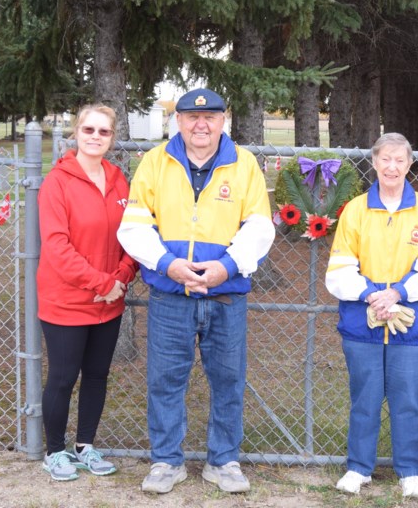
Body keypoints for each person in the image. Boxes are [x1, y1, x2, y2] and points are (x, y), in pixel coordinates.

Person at [117, 88, 275, 495]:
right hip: (171, 295)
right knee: (165, 381)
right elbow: (133, 226)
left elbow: (259, 226)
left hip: (226, 296)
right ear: (179, 121)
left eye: (210, 117)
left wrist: (226, 267)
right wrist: (168, 265)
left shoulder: (244, 165)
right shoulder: (155, 162)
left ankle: (223, 461)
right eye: (190, 117)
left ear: (225, 120)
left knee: (228, 380)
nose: (200, 124)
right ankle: (167, 461)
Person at [325, 133, 418, 499]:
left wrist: (398, 293)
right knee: (364, 396)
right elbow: (339, 269)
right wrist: (372, 295)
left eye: (400, 160)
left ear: (410, 164)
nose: (392, 167)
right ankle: (358, 467)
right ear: (375, 163)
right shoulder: (356, 210)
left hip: (412, 324)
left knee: (408, 397)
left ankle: (409, 469)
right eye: (385, 160)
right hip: (363, 323)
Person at [37, 104, 138, 481]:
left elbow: (133, 235)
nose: (96, 137)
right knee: (63, 378)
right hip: (67, 300)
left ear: (112, 138)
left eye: (104, 132)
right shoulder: (58, 182)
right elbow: (57, 246)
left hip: (109, 301)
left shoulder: (118, 180)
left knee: (96, 375)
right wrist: (102, 283)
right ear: (76, 132)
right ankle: (54, 452)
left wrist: (122, 277)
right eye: (89, 130)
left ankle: (85, 447)